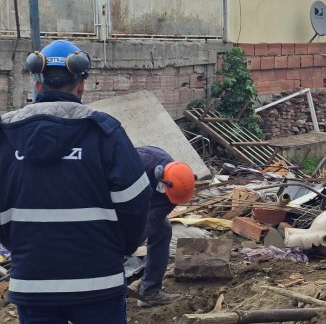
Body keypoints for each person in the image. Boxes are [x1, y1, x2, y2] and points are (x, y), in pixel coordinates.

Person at [0, 40, 151, 324]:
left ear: (37, 85)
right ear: (81, 86)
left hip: (33, 282)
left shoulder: (6, 136)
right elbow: (136, 205)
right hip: (98, 283)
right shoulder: (105, 132)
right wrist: (120, 249)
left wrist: (21, 245)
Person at [133, 146, 196, 308]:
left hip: (149, 192)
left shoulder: (176, 184)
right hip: (117, 193)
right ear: (162, 178)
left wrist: (128, 245)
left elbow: (152, 220)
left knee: (162, 230)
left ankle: (150, 291)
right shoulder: (134, 163)